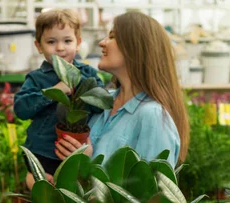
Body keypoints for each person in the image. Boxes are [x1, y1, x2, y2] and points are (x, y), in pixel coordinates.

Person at [12, 9, 104, 203]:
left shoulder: (88, 75)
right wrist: (56, 91)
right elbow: (21, 109)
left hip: (74, 150)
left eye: (67, 41)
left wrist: (80, 94)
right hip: (42, 153)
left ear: (79, 42)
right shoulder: (37, 78)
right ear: (38, 46)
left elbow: (102, 103)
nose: (60, 48)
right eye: (51, 41)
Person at [54, 11, 189, 167]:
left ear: (135, 47)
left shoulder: (152, 115)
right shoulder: (101, 101)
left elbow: (149, 189)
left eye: (112, 37)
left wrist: (86, 163)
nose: (102, 43)